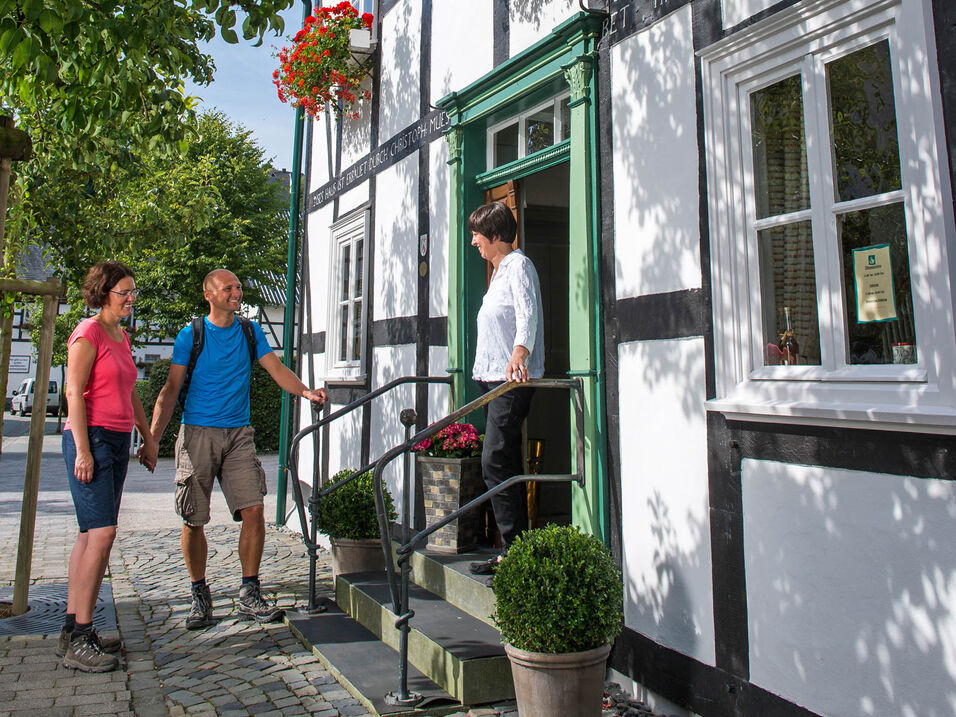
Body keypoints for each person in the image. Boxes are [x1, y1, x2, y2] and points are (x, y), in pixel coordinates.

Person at [144, 269, 327, 629]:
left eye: (239, 287)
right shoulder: (190, 335)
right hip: (197, 434)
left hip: (239, 434)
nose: (237, 293)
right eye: (229, 288)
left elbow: (275, 368)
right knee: (194, 518)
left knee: (254, 510)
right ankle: (200, 594)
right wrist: (152, 439)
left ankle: (249, 592)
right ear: (209, 294)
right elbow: (170, 389)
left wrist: (305, 391)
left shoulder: (250, 331)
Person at [60, 261, 158, 672]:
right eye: (124, 293)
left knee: (90, 536)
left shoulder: (121, 335)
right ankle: (81, 638)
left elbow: (130, 389)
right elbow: (73, 392)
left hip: (117, 441)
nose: (131, 299)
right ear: (103, 294)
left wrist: (148, 437)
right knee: (102, 534)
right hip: (92, 439)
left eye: (133, 292)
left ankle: (73, 628)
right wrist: (83, 450)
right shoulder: (89, 333)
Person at [466, 202, 545, 577]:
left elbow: (528, 313)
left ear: (494, 234)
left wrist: (519, 352)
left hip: (510, 381)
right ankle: (513, 551)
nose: (473, 242)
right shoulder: (498, 272)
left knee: (494, 461)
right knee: (504, 461)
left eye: (477, 234)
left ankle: (515, 550)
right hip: (493, 381)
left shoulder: (519, 266)